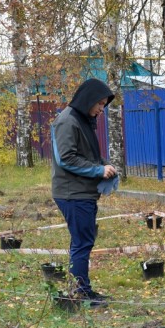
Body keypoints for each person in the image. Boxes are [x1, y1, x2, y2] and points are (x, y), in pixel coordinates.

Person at [51, 78, 118, 308]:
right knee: (82, 243)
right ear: (88, 99)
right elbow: (67, 159)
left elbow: (87, 154)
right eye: (100, 103)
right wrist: (98, 170)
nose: (101, 109)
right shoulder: (67, 121)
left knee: (82, 242)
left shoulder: (82, 119)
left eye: (104, 105)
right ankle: (81, 294)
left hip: (82, 192)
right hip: (73, 193)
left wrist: (104, 165)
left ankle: (80, 289)